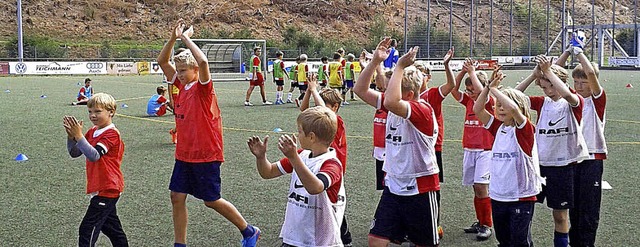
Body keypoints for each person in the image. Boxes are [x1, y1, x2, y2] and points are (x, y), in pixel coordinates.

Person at [157, 19, 260, 247]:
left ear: (194, 70)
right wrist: (173, 38)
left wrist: (186, 38)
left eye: (184, 71)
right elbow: (162, 61)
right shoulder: (181, 86)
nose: (180, 75)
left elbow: (202, 60)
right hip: (184, 153)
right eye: (179, 71)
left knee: (211, 200)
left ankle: (249, 230)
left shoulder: (204, 88)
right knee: (176, 196)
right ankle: (179, 244)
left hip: (206, 153)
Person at [368, 46, 441, 247]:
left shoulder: (422, 110)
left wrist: (400, 65)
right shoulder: (395, 104)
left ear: (408, 95)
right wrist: (375, 62)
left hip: (420, 187)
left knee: (424, 243)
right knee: (375, 239)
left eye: (394, 86)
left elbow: (391, 101)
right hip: (394, 185)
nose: (386, 90)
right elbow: (360, 90)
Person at [516, 55, 589, 247]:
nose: (548, 91)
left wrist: (548, 71)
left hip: (562, 166)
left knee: (560, 215)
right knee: (525, 208)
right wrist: (534, 76)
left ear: (560, 82)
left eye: (551, 86)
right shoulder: (542, 102)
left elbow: (567, 96)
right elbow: (512, 97)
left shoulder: (573, 102)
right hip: (539, 166)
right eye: (544, 87)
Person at [247, 106, 345, 247]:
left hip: (320, 242)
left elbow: (315, 187)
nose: (297, 135)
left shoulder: (332, 164)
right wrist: (261, 157)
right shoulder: (301, 155)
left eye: (300, 131)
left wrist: (293, 157)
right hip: (293, 238)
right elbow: (267, 173)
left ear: (311, 136)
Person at [473, 72, 542, 247]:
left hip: (521, 197)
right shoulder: (498, 128)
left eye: (504, 105)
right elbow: (477, 109)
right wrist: (488, 87)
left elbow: (514, 110)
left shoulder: (524, 130)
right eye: (498, 105)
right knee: (503, 240)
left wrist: (496, 90)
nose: (501, 108)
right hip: (498, 196)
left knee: (520, 241)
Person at [557, 39, 608, 247]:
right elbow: (554, 72)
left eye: (583, 82)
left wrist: (580, 54)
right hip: (573, 159)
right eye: (576, 82)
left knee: (588, 210)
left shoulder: (597, 100)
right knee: (574, 208)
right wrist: (567, 52)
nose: (579, 86)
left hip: (591, 159)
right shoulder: (572, 98)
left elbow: (592, 74)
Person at [63, 93, 129, 247]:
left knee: (87, 229)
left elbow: (94, 155)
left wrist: (79, 136)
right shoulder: (92, 131)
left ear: (111, 112)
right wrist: (71, 137)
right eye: (90, 112)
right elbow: (75, 153)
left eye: (98, 112)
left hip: (108, 187)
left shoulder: (112, 133)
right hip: (99, 187)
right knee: (112, 229)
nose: (93, 115)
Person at [299, 74, 352, 246]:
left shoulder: (335, 121)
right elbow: (303, 109)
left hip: (332, 169)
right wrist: (309, 90)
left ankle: (344, 239)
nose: (317, 108)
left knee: (332, 207)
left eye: (322, 103)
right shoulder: (320, 119)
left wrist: (315, 90)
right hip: (319, 166)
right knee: (324, 206)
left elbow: (324, 112)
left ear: (335, 107)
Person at [450, 59, 497, 240]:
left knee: (481, 187)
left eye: (472, 89)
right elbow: (454, 89)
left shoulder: (489, 101)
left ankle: (487, 225)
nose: (470, 93)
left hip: (486, 150)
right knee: (476, 188)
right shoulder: (468, 101)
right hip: (470, 149)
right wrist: (463, 72)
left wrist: (472, 72)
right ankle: (480, 221)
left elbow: (480, 91)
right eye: (468, 90)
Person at [415, 47, 456, 239]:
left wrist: (446, 65)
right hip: (412, 147)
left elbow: (450, 84)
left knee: (432, 187)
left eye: (421, 73)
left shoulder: (432, 94)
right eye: (413, 71)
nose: (416, 75)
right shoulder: (406, 95)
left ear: (428, 77)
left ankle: (434, 223)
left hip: (432, 147)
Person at [354, 38, 392, 191]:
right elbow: (363, 88)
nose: (378, 86)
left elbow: (381, 81)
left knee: (391, 190)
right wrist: (372, 64)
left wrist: (377, 63)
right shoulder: (382, 100)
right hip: (380, 150)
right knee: (386, 191)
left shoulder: (393, 103)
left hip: (390, 150)